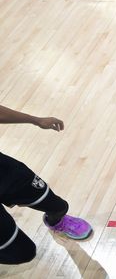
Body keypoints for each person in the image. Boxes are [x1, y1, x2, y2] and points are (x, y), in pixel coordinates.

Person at [0, 103, 93, 265]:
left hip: (3, 170)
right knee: (24, 254)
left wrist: (35, 120)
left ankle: (56, 222)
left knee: (58, 207)